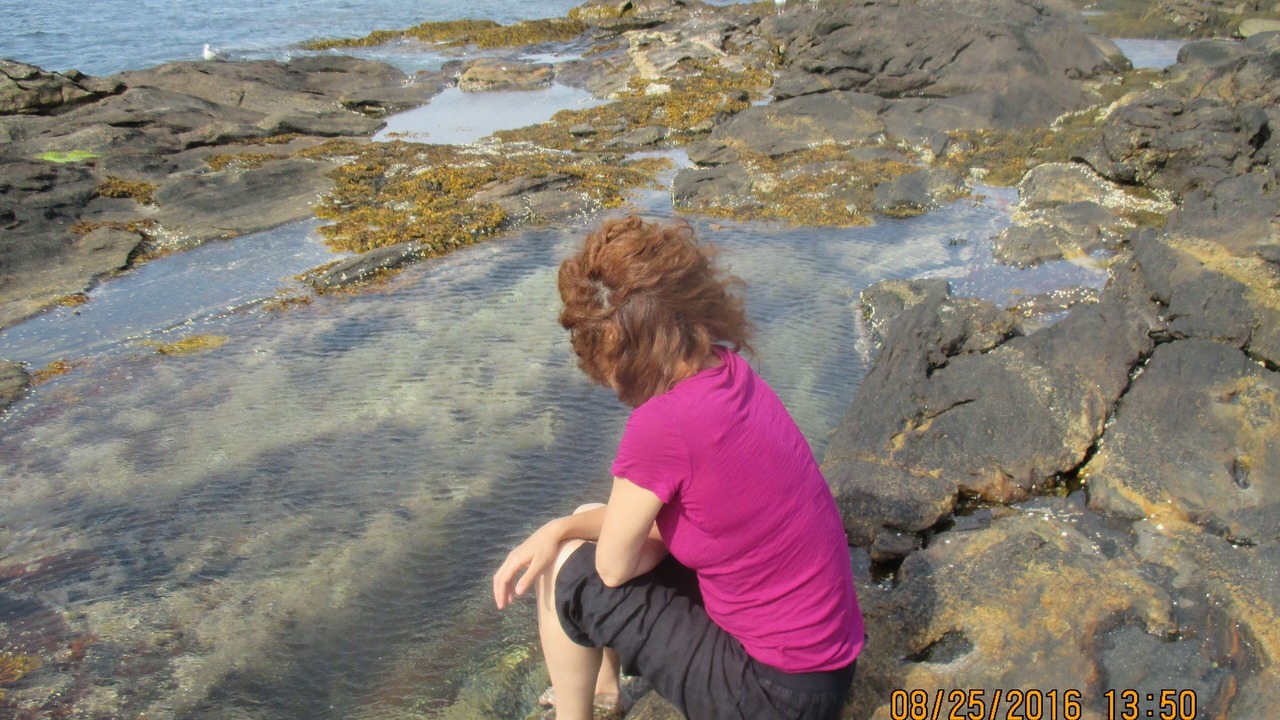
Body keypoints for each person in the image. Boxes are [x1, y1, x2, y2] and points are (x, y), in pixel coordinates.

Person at [493, 215, 864, 720]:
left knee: (563, 567)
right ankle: (604, 687)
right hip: (825, 663)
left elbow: (613, 568)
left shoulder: (662, 425)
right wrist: (565, 523)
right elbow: (677, 528)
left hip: (775, 697)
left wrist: (556, 536)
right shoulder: (729, 370)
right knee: (584, 515)